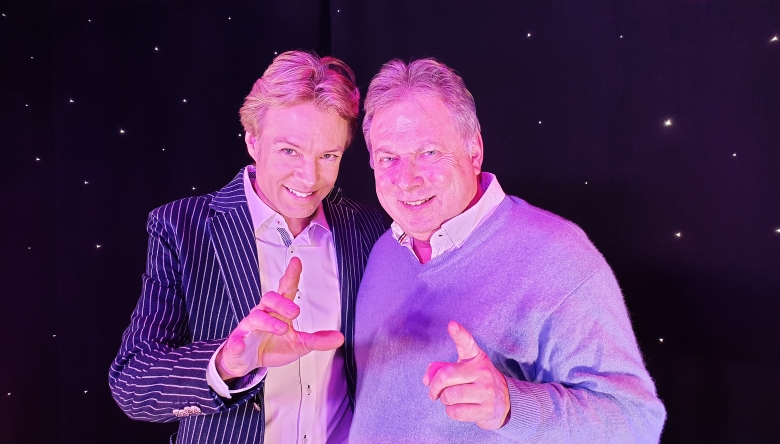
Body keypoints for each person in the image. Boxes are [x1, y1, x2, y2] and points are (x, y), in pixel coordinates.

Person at [349, 58, 666, 443]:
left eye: (429, 153)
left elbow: (636, 421)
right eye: (388, 159)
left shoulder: (557, 256)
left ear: (474, 150)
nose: (407, 180)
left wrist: (510, 405)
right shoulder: (384, 251)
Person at [109, 51, 387, 444]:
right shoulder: (183, 228)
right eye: (289, 151)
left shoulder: (369, 227)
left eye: (328, 155)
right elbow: (133, 383)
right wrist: (226, 363)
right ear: (253, 140)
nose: (309, 178)